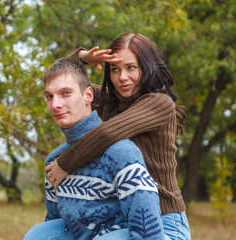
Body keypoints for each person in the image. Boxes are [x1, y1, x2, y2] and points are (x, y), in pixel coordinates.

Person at [45, 33, 191, 240]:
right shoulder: (113, 102)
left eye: (131, 67)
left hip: (165, 220)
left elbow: (107, 133)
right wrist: (81, 57)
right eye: (115, 69)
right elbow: (64, 83)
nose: (122, 77)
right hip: (126, 219)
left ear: (147, 67)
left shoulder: (159, 103)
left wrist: (65, 164)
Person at [24, 56, 170, 239]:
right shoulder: (55, 162)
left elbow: (148, 232)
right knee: (37, 235)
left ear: (88, 96)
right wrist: (80, 57)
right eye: (49, 96)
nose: (55, 105)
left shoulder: (122, 154)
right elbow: (54, 223)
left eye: (66, 93)